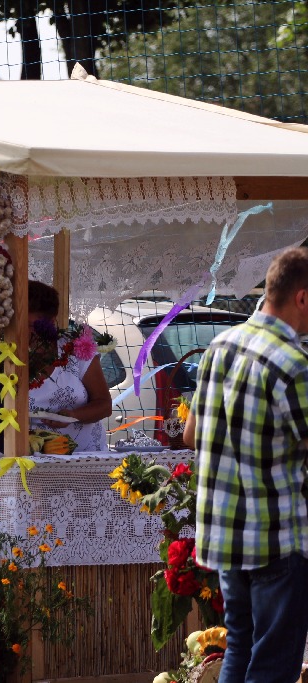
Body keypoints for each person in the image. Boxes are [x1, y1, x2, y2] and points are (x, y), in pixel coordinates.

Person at [182, 246, 308, 683]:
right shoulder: (293, 364)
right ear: (302, 298)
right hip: (275, 537)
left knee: (239, 648)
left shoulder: (220, 346)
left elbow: (190, 434)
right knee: (273, 663)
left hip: (225, 536)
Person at [24, 280, 111, 452]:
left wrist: (73, 416)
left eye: (33, 327)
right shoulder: (3, 356)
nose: (27, 333)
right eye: (21, 326)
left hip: (84, 457)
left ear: (51, 322)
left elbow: (104, 405)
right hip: (29, 461)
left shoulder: (75, 350)